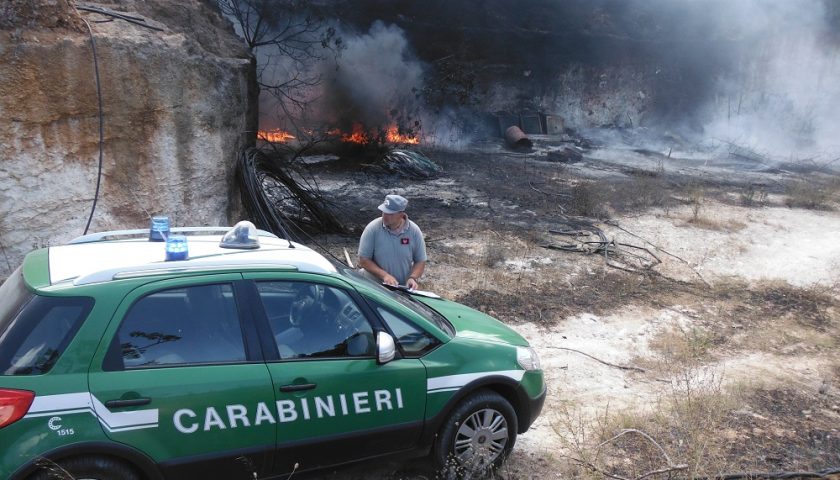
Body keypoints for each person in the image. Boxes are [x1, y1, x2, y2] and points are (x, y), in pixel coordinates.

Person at [358, 194, 427, 290]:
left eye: (390, 214)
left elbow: (420, 261)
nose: (385, 216)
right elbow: (363, 260)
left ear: (401, 214)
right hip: (373, 285)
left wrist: (413, 278)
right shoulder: (372, 229)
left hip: (400, 287)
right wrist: (384, 275)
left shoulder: (414, 231)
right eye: (384, 212)